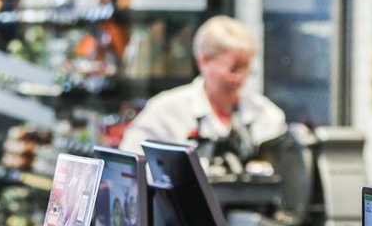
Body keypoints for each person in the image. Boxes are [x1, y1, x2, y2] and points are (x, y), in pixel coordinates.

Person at [119, 15, 286, 155]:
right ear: (204, 61)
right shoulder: (165, 112)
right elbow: (130, 167)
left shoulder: (267, 115)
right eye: (233, 69)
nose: (240, 78)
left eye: (246, 69)